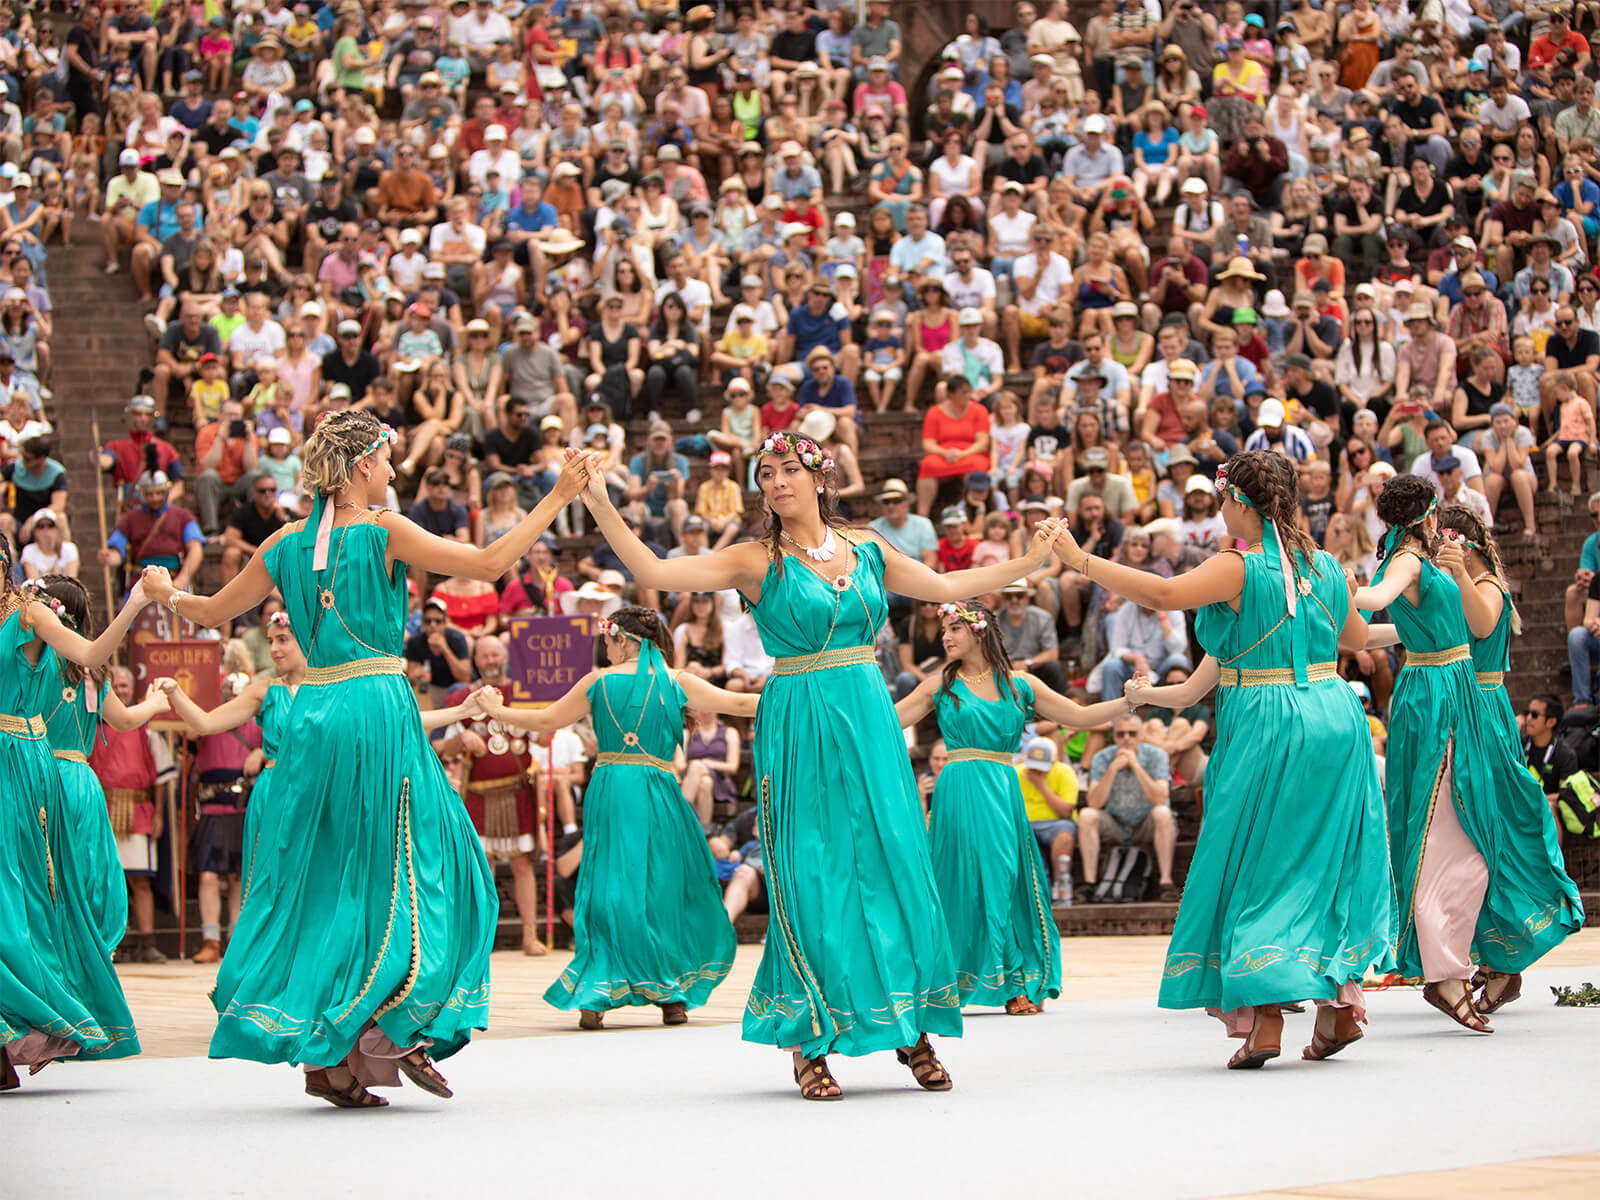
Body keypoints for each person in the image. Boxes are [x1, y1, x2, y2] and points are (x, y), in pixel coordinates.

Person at [574, 430, 1065, 1101]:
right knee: (812, 872)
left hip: (867, 715)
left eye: (786, 470)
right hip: (799, 717)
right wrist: (600, 502)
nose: (775, 483)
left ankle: (909, 1027)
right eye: (764, 474)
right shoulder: (754, 560)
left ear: (818, 476)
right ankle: (811, 1042)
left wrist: (1030, 560)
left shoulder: (867, 547)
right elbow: (655, 573)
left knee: (894, 863)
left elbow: (949, 583)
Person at [137, 409, 592, 1109]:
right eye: (386, 461)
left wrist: (168, 592)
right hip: (377, 708)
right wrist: (558, 497)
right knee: (439, 864)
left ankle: (332, 1057)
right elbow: (489, 563)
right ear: (359, 467)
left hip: (316, 718)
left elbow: (206, 615)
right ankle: (392, 1022)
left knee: (333, 880)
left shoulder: (284, 544)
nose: (392, 472)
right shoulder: (382, 529)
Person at [1058, 450, 1393, 1069]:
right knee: (1324, 863)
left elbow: (1162, 591)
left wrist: (1080, 560)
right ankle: (1337, 1008)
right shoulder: (1321, 565)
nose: (1219, 511)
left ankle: (1265, 1021)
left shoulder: (1239, 567)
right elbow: (1355, 639)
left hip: (1269, 721)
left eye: (1222, 500)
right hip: (1336, 716)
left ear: (1240, 501)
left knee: (1255, 862)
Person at [1353, 474, 1583, 1034]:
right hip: (1440, 700)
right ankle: (1453, 968)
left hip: (1451, 697)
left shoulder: (1447, 571)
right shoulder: (1410, 559)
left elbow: (1393, 625)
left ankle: (1475, 961)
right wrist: (1328, 588)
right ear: (1427, 516)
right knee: (1451, 833)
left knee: (1472, 830)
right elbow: (1374, 603)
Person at [480, 606, 752, 1029]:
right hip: (659, 791)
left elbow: (544, 719)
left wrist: (497, 711)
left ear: (623, 639)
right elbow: (739, 702)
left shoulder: (598, 682)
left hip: (610, 788)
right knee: (662, 885)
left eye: (607, 641)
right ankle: (671, 994)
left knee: (609, 884)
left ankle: (598, 994)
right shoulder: (676, 681)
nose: (604, 649)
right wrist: (799, 686)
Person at [896, 602, 1125, 1014]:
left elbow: (1081, 715)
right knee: (957, 878)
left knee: (1005, 875)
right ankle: (943, 982)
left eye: (953, 629)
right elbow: (888, 723)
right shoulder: (939, 686)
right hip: (958, 786)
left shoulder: (1020, 684)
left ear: (979, 631)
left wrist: (1130, 701)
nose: (945, 637)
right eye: (944, 630)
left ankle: (1014, 979)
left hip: (1002, 785)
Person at [0, 554, 160, 1090]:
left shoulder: (28, 616)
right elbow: (121, 713)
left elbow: (92, 652)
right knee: (42, 899)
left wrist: (136, 602)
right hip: (60, 773)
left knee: (35, 899)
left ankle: (47, 1016)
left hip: (25, 766)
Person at [1434, 506, 1584, 1009]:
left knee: (1494, 826)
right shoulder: (1460, 581)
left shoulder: (1489, 586)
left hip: (1485, 707)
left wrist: (1456, 572)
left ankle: (1506, 957)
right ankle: (1493, 956)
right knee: (1473, 830)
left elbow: (1481, 623)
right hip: (1463, 707)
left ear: (1467, 544)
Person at [39, 577, 171, 961]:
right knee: (85, 873)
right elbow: (127, 720)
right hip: (82, 781)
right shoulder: (92, 674)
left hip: (41, 773)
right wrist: (156, 704)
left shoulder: (37, 663)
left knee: (46, 876)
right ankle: (88, 954)